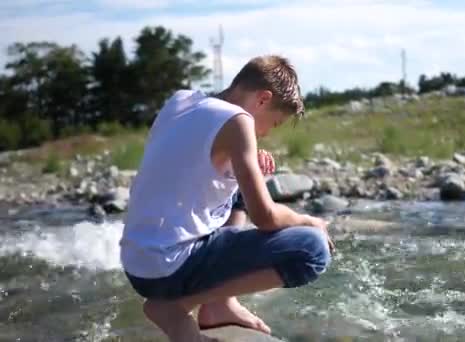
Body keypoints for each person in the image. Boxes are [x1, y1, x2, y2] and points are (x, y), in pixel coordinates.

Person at [119, 55, 334, 342]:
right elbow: (265, 217)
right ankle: (174, 307)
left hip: (138, 263)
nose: (267, 132)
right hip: (170, 267)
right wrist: (309, 220)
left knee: (246, 184)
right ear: (262, 99)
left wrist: (240, 160)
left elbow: (183, 164)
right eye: (274, 122)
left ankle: (221, 304)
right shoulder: (239, 121)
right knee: (312, 249)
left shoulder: (180, 101)